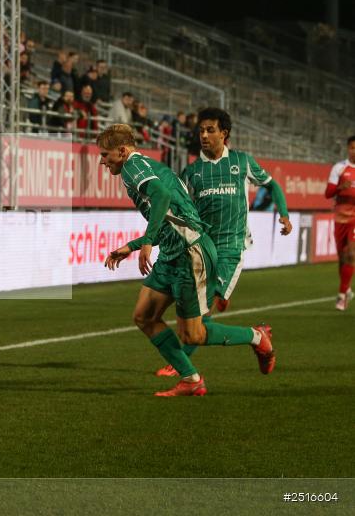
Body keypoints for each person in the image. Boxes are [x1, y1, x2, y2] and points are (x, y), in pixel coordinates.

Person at [98, 124, 275, 397]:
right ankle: (191, 379)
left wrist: (146, 242)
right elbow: (171, 218)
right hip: (173, 252)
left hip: (190, 253)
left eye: (105, 154)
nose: (102, 160)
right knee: (144, 316)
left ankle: (256, 336)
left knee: (193, 335)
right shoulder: (144, 166)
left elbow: (162, 196)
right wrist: (132, 246)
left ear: (122, 151)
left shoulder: (133, 167)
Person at [146, 109, 292, 378]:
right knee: (198, 314)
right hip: (201, 250)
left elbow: (272, 186)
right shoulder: (191, 172)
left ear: (224, 134)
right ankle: (255, 336)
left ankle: (181, 361)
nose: (204, 135)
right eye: (201, 130)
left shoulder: (241, 162)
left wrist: (282, 213)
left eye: (210, 130)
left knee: (203, 310)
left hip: (230, 249)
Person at [324, 134, 355, 310]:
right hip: (340, 218)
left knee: (351, 254)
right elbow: (327, 194)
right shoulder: (339, 168)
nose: (354, 151)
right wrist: (339, 188)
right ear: (347, 148)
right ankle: (347, 288)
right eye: (352, 147)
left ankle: (341, 296)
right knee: (342, 259)